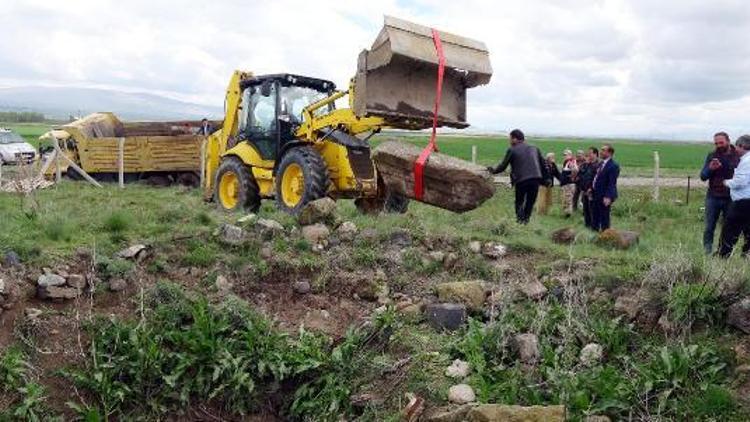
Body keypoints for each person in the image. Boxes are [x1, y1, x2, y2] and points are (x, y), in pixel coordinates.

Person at [488, 129, 549, 224]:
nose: (509, 141)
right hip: (535, 179)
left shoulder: (512, 150)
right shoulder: (534, 148)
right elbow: (544, 164)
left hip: (521, 180)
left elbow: (503, 166)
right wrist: (546, 179)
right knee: (530, 202)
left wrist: (493, 171)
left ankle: (520, 221)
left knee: (519, 202)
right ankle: (526, 221)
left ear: (515, 139)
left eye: (510, 138)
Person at [700, 132, 740, 254]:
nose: (718, 145)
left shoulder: (738, 155)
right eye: (716, 143)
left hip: (732, 197)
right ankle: (707, 252)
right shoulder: (712, 155)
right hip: (713, 197)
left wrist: (726, 166)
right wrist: (710, 168)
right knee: (709, 227)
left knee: (728, 227)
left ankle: (723, 252)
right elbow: (703, 176)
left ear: (728, 141)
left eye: (721, 142)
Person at [718, 135, 750, 258]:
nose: (736, 149)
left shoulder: (747, 161)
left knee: (730, 229)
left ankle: (723, 255)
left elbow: (740, 182)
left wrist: (726, 182)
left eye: (737, 146)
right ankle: (746, 255)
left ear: (743, 146)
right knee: (748, 229)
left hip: (742, 201)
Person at [591, 144, 619, 231]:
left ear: (609, 153)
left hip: (604, 195)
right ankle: (594, 233)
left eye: (603, 150)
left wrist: (608, 197)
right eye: (601, 149)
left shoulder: (613, 166)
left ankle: (605, 235)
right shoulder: (601, 163)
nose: (600, 152)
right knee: (595, 215)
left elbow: (612, 183)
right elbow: (597, 178)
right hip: (596, 193)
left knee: (604, 217)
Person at [577, 147, 600, 229]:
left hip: (592, 191)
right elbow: (581, 175)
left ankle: (594, 227)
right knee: (585, 209)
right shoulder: (587, 165)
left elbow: (596, 179)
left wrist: (591, 188)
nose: (589, 155)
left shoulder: (598, 165)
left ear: (595, 154)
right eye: (588, 153)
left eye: (590, 153)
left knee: (592, 210)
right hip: (584, 190)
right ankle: (587, 226)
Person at [560, 149, 578, 217]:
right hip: (566, 183)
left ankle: (568, 214)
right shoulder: (568, 161)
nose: (564, 156)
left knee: (568, 198)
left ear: (570, 155)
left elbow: (575, 170)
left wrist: (572, 177)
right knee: (566, 198)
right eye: (564, 155)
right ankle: (566, 213)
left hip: (568, 184)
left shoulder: (570, 161)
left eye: (566, 155)